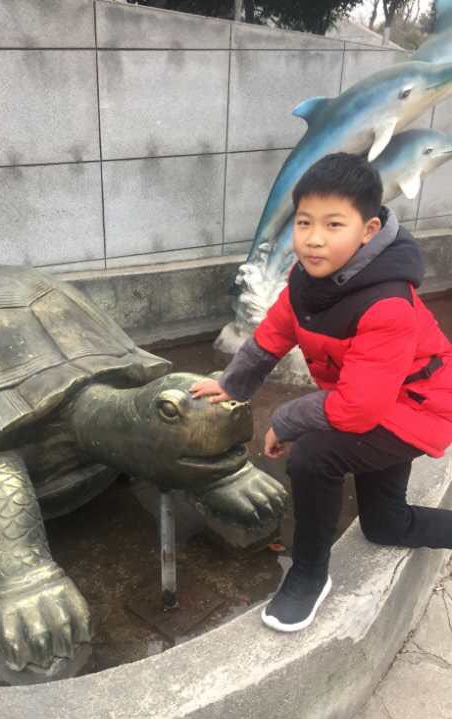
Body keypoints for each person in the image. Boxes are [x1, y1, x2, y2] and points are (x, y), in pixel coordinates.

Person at [191, 152, 452, 633]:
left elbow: (358, 408)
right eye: (304, 221)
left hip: (416, 409)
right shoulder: (306, 279)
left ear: (368, 230)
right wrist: (231, 385)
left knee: (314, 457)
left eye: (334, 224)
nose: (313, 238)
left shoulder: (387, 305)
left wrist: (285, 422)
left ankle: (309, 574)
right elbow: (272, 334)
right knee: (385, 525)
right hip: (377, 400)